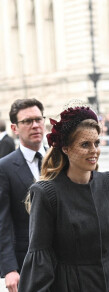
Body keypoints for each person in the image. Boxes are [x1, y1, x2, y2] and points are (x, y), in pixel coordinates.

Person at [18, 104, 109, 292]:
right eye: (85, 144)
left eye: (97, 143)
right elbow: (40, 259)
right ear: (66, 149)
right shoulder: (46, 192)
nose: (94, 150)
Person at [0, 98, 46, 292]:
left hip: (64, 260)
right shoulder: (5, 167)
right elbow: (3, 221)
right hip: (27, 262)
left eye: (38, 119)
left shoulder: (61, 160)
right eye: (27, 121)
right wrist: (9, 268)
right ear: (15, 128)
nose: (35, 125)